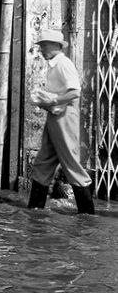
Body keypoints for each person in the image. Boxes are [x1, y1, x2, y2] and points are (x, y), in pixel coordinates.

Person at [28, 29, 95, 214]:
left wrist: (52, 100)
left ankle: (87, 213)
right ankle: (35, 210)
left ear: (56, 45)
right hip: (55, 117)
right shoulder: (52, 65)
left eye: (44, 45)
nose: (41, 48)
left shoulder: (63, 64)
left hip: (64, 118)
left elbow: (75, 92)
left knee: (71, 164)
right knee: (43, 163)